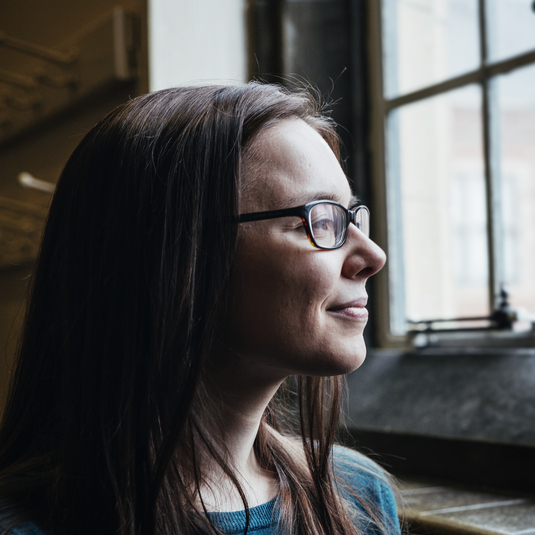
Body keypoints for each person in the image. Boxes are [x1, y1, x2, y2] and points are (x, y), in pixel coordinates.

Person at [0, 83, 397, 535]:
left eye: (351, 216)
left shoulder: (356, 495)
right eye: (321, 219)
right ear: (176, 255)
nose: (374, 255)